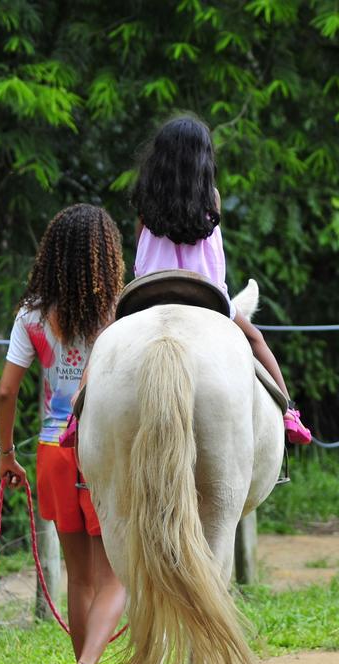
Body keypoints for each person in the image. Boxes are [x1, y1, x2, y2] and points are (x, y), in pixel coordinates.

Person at [0, 204, 126, 664]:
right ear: (107, 255)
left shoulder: (31, 314)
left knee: (79, 577)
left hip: (51, 449)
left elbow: (6, 391)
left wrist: (6, 453)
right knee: (118, 575)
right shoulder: (119, 311)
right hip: (103, 450)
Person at [129, 113, 312, 445]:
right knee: (255, 339)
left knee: (103, 340)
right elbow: (215, 257)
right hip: (203, 293)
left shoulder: (145, 198)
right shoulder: (210, 198)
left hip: (150, 293)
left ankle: (76, 414)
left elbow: (140, 252)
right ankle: (288, 412)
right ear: (202, 158)